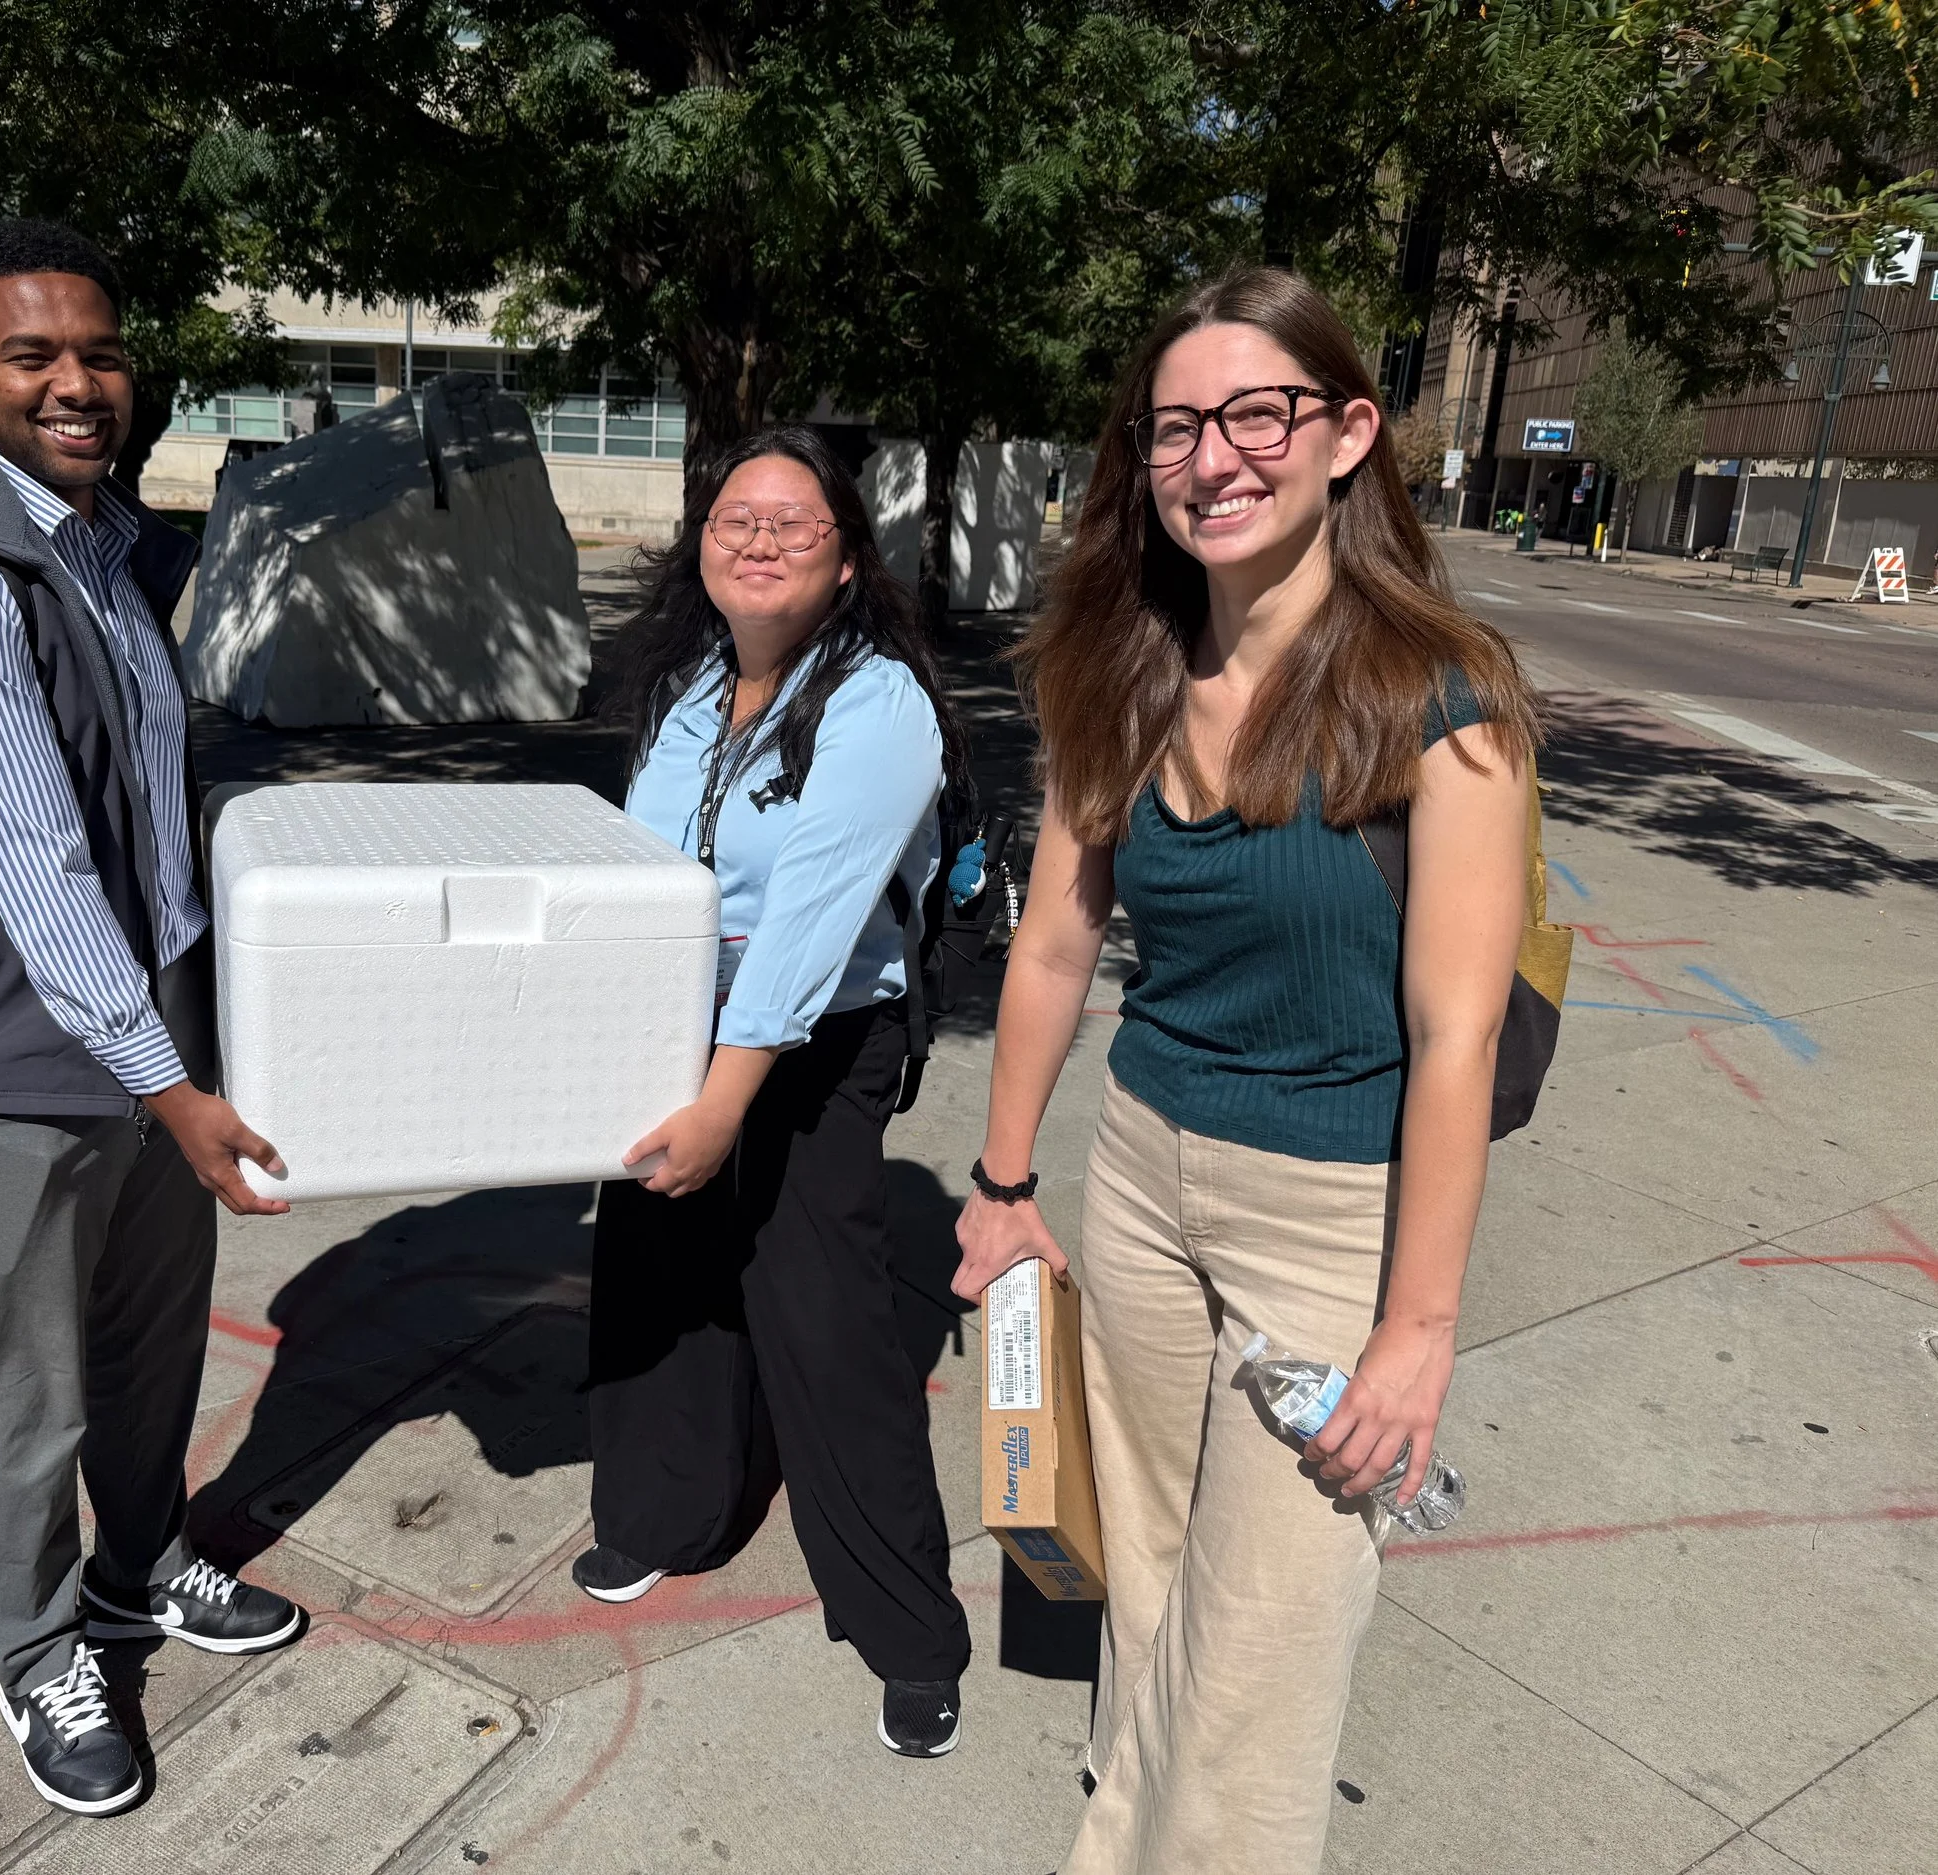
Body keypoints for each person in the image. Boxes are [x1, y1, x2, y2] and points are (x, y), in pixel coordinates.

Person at [951, 267, 1537, 1873]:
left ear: (1349, 434)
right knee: (1141, 1576)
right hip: (1141, 1175)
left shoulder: (1441, 696)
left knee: (1264, 1650)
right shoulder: (1118, 666)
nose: (1216, 457)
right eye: (1178, 426)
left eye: (1259, 414)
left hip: (1330, 1217)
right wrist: (1003, 1187)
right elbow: (1058, 951)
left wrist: (1416, 1338)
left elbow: (1459, 1037)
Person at [0, 220, 303, 1817]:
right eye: (31, 356)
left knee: (153, 1344)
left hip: (153, 1031)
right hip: (9, 1062)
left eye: (98, 350)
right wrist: (176, 1087)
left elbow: (150, 820)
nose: (76, 382)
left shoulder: (107, 548)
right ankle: (38, 1646)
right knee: (21, 1387)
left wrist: (200, 1034)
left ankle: (143, 1559)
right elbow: (36, 864)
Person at [574, 426, 977, 1757]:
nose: (756, 537)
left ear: (849, 559)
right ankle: (661, 1511)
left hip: (810, 1049)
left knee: (827, 1320)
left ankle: (905, 1625)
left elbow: (807, 927)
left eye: (792, 522)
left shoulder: (880, 708)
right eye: (734, 516)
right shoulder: (693, 685)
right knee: (658, 1273)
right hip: (667, 1025)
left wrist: (724, 1100)